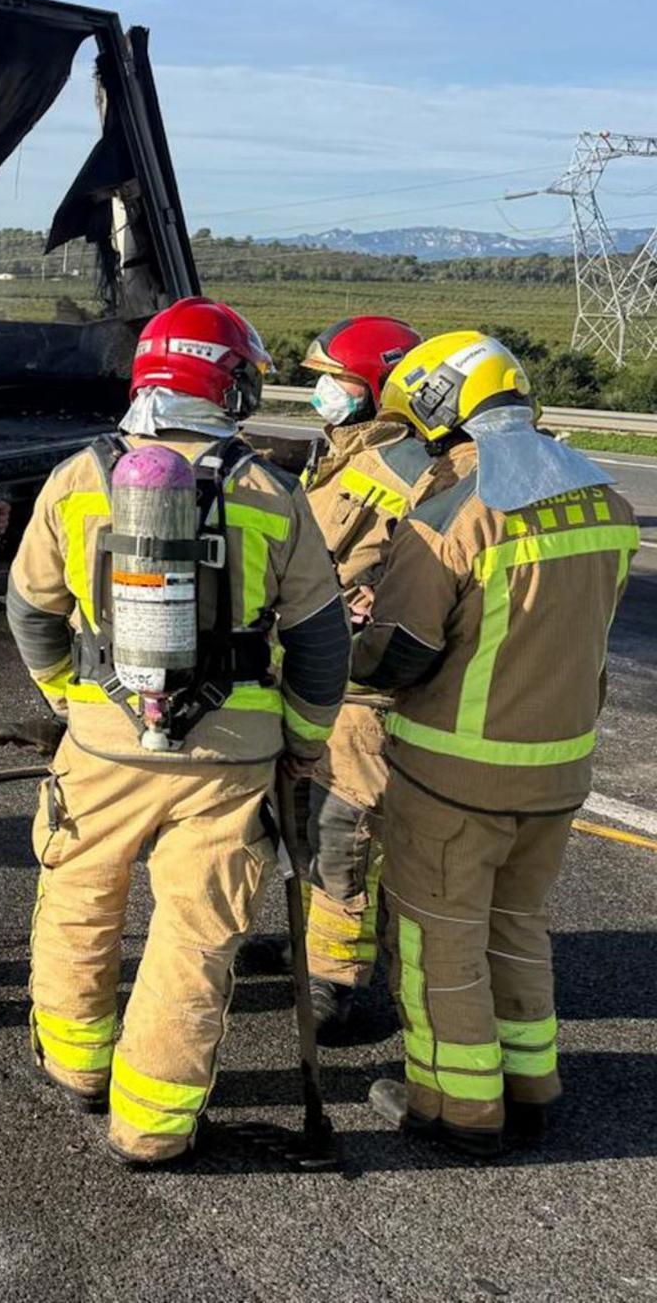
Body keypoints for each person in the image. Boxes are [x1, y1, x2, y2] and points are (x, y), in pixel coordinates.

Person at [6, 297, 351, 1167]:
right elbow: (319, 641)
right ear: (221, 381)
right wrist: (305, 741)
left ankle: (78, 1066)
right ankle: (154, 1125)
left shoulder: (78, 477)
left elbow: (31, 610)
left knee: (81, 898)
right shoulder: (272, 490)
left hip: (102, 744)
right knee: (196, 936)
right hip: (232, 761)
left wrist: (68, 699)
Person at [352, 332, 639, 1157]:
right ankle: (531, 1084)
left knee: (436, 938)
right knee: (516, 925)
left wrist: (348, 644)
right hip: (559, 770)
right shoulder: (606, 501)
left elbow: (402, 651)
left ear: (442, 408)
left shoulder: (456, 512)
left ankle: (456, 1107)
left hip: (455, 773)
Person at [297, 316, 428, 1040]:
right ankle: (305, 940)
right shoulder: (342, 454)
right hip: (316, 673)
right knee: (301, 820)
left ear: (377, 390)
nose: (322, 393)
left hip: (363, 693)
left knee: (345, 829)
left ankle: (335, 979)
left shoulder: (405, 468)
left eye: (336, 381)